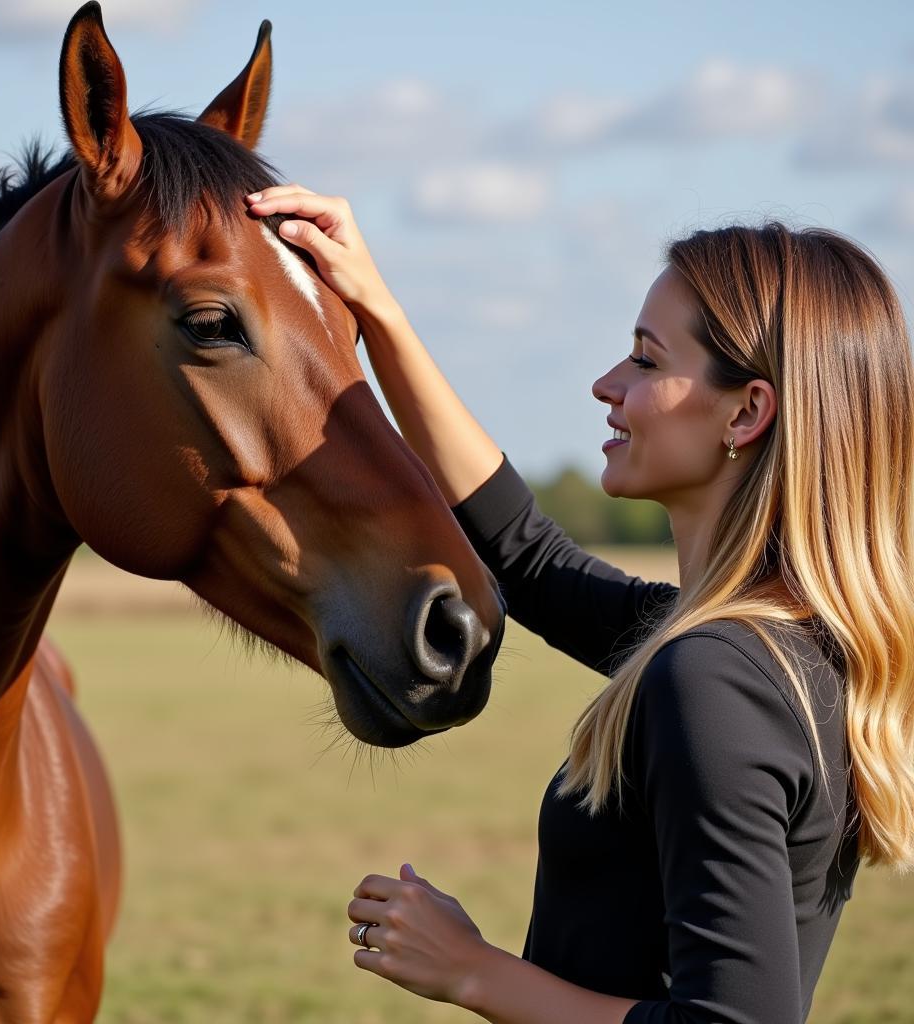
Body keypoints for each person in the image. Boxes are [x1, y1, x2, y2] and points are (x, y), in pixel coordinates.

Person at [244, 185, 914, 1023]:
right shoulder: (762, 650)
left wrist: (472, 972)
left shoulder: (715, 680)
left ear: (745, 412)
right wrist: (373, 307)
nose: (606, 384)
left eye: (645, 360)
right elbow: (526, 555)